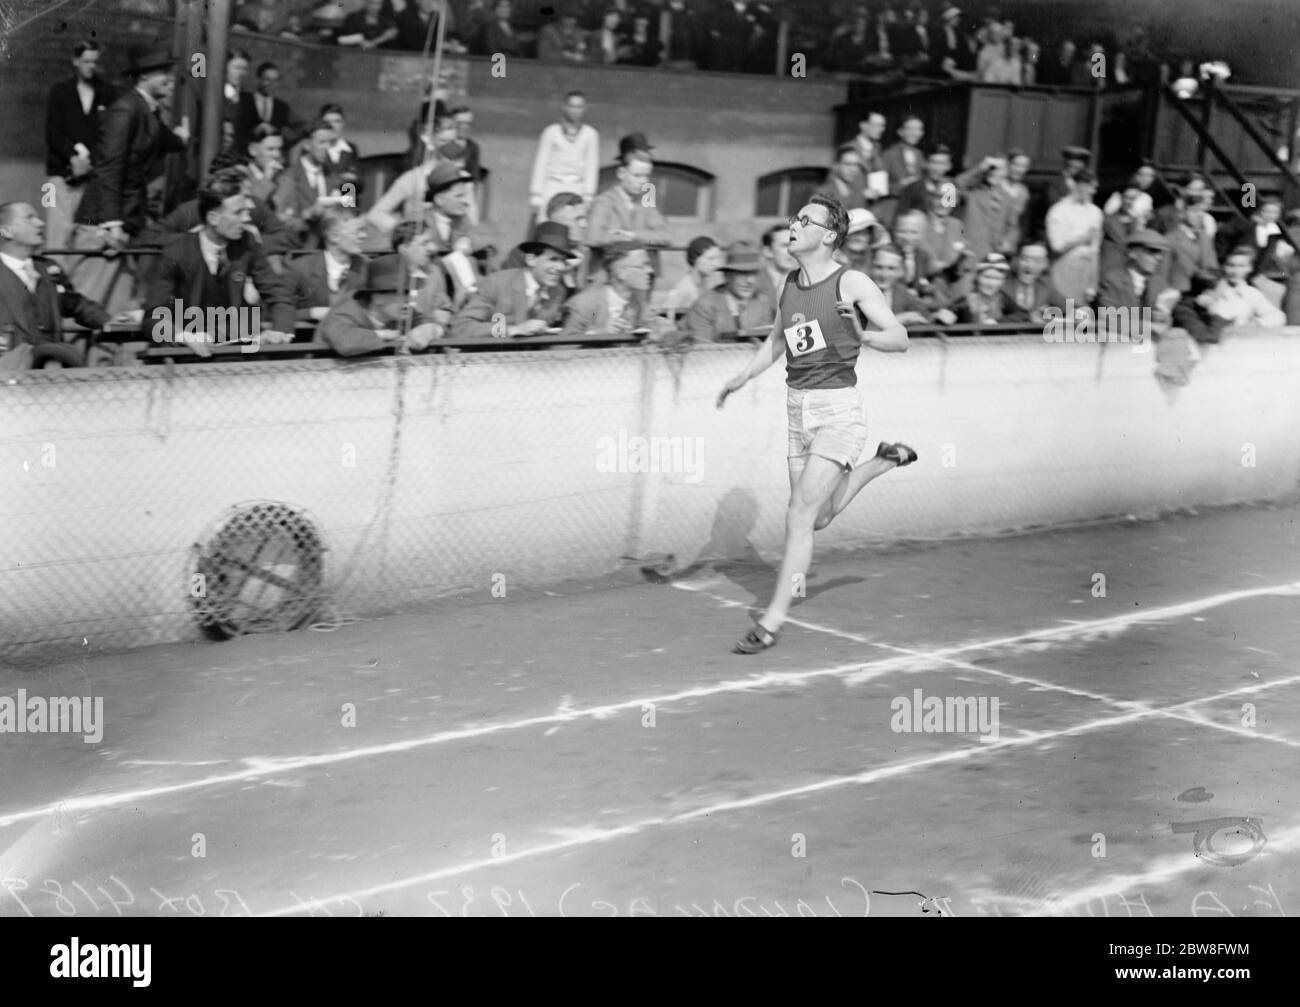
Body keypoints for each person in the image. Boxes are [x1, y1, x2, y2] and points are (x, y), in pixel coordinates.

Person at [715, 196, 914, 655]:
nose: (794, 224)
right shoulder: (789, 282)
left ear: (828, 236)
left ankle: (771, 621)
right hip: (797, 412)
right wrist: (741, 378)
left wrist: (863, 335)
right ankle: (882, 462)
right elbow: (776, 341)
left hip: (838, 412)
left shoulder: (852, 281)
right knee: (819, 517)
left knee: (799, 515)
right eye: (794, 217)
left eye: (806, 220)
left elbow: (901, 338)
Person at [71, 44, 191, 307]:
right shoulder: (127, 110)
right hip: (103, 223)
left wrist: (181, 140)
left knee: (114, 306)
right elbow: (109, 168)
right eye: (163, 72)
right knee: (91, 299)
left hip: (125, 220)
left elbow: (161, 137)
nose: (170, 78)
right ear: (144, 76)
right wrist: (112, 223)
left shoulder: (147, 110)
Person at [143, 173, 295, 353]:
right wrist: (184, 337)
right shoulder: (176, 252)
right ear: (213, 218)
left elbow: (278, 292)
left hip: (236, 350)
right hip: (188, 355)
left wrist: (280, 330)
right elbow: (153, 317)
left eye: (247, 211)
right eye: (238, 212)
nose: (247, 218)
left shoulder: (247, 244)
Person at [0, 201, 110, 369]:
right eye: (29, 218)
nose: (40, 223)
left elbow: (76, 304)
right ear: (6, 231)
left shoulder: (48, 268)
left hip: (52, 370)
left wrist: (111, 321)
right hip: (10, 372)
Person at [44, 41, 116, 257]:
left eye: (95, 62)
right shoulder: (59, 91)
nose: (90, 66)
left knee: (86, 235)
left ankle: (73, 286)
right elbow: (52, 133)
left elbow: (109, 134)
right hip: (59, 177)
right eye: (86, 61)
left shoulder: (107, 92)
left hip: (91, 177)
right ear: (75, 61)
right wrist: (73, 159)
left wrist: (88, 163)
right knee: (56, 234)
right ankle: (53, 280)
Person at [451, 221, 571, 338]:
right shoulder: (497, 283)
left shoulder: (558, 292)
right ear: (531, 260)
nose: (561, 267)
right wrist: (512, 330)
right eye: (553, 259)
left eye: (563, 261)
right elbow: (461, 328)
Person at [318, 255, 442, 356]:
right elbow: (345, 342)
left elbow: (433, 324)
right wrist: (384, 335)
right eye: (401, 293)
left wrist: (427, 330)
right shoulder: (345, 312)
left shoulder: (403, 311)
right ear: (378, 298)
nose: (409, 299)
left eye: (409, 292)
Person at [585, 147, 670, 276]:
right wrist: (643, 238)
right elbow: (593, 238)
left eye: (646, 176)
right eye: (637, 175)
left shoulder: (647, 203)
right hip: (608, 276)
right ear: (621, 173)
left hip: (641, 278)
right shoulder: (603, 202)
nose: (643, 181)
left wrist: (631, 235)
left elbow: (666, 237)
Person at [683, 240, 775, 342]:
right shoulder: (705, 306)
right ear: (727, 276)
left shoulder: (761, 301)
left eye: (753, 273)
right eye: (743, 273)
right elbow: (701, 350)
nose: (750, 281)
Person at [529, 92, 599, 221]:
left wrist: (589, 194)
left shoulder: (590, 134)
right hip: (553, 184)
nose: (575, 110)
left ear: (585, 109)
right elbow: (541, 163)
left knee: (576, 223)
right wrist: (536, 194)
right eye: (572, 106)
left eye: (579, 107)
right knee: (547, 223)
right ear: (565, 107)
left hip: (577, 186)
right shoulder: (551, 132)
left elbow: (591, 166)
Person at [286, 211, 368, 321]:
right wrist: (311, 313)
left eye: (363, 231)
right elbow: (274, 313)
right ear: (334, 236)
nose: (364, 236)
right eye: (357, 232)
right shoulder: (300, 268)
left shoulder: (367, 268)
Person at [560, 241, 654, 337]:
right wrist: (598, 333)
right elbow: (562, 347)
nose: (650, 270)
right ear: (621, 273)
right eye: (643, 266)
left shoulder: (639, 304)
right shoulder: (587, 306)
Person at [1045, 167, 1103, 304]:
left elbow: (1095, 250)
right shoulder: (1058, 210)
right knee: (1062, 311)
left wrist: (1092, 284)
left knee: (1081, 316)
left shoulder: (1095, 212)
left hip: (1086, 271)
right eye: (1089, 187)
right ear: (1078, 185)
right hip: (1064, 267)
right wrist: (1083, 239)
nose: (1093, 191)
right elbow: (1057, 246)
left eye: (1094, 187)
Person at [1196, 248, 1286, 328]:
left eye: (1241, 266)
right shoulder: (1211, 289)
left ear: (1249, 268)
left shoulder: (1251, 293)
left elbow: (1277, 317)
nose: (1235, 271)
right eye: (1231, 265)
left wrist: (1255, 323)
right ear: (1223, 267)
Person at [235, 62, 297, 156]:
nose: (271, 84)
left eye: (275, 80)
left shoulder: (282, 107)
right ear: (258, 80)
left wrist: (275, 130)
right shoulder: (244, 100)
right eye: (267, 79)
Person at [1002, 243, 1065, 323]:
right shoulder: (1001, 283)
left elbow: (1069, 306)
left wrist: (1081, 313)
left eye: (1038, 261)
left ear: (1045, 264)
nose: (1030, 266)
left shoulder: (1045, 285)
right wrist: (1029, 317)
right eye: (1025, 259)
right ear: (1015, 260)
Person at [664, 235, 724, 313]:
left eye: (717, 258)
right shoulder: (685, 286)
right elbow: (664, 313)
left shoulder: (705, 284)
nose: (716, 264)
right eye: (711, 258)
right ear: (695, 259)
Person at [813, 145, 868, 212]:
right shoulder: (823, 193)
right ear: (836, 165)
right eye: (848, 164)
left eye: (856, 165)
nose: (853, 169)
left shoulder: (858, 192)